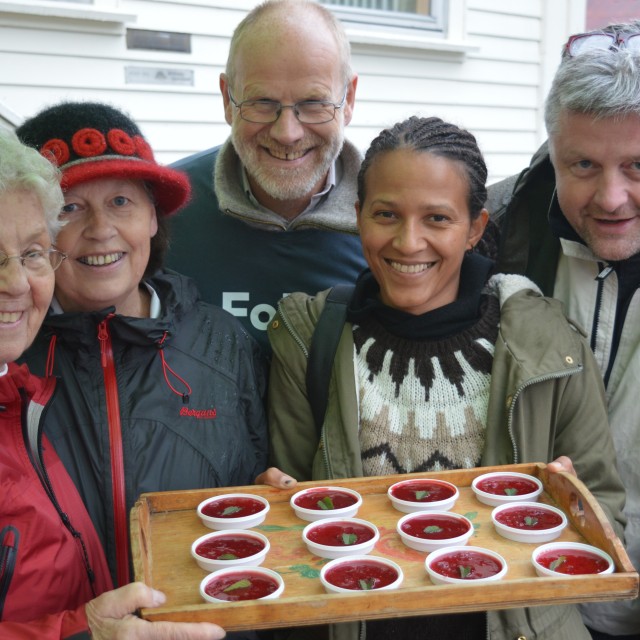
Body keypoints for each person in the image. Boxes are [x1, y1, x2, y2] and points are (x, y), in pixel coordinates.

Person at [267, 116, 626, 640]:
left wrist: (568, 510)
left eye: (437, 218)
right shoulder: (309, 338)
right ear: (358, 214)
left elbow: (604, 521)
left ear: (475, 227)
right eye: (386, 214)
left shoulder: (548, 343)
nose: (408, 242)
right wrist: (277, 505)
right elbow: (289, 519)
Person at [15, 101, 277, 593]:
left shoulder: (223, 342)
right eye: (70, 207)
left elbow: (252, 486)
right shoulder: (10, 356)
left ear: (153, 219)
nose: (100, 229)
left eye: (121, 202)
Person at [0, 127, 225, 639]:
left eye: (30, 253)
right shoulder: (28, 363)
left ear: (153, 218)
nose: (13, 283)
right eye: (72, 209)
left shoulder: (18, 396)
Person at [485, 21, 640, 640]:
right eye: (584, 164)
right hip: (528, 602)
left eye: (637, 165)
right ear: (552, 151)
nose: (612, 196)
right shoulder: (494, 235)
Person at [166, 0, 367, 352]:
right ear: (228, 99)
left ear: (348, 99)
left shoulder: (395, 221)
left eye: (313, 103)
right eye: (262, 102)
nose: (287, 133)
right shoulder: (166, 209)